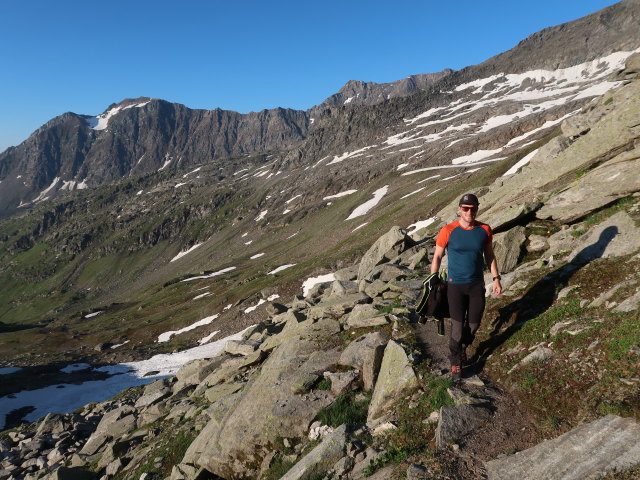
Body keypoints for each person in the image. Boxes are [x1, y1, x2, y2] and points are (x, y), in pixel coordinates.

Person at [430, 193, 502, 379]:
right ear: (459, 209)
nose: (469, 212)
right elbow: (437, 256)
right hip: (455, 286)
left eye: (473, 208)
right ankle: (455, 361)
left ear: (477, 209)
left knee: (474, 324)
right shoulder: (448, 230)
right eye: (465, 208)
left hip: (476, 284)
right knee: (456, 326)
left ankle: (462, 347)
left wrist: (496, 278)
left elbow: (490, 255)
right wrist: (433, 277)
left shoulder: (485, 229)